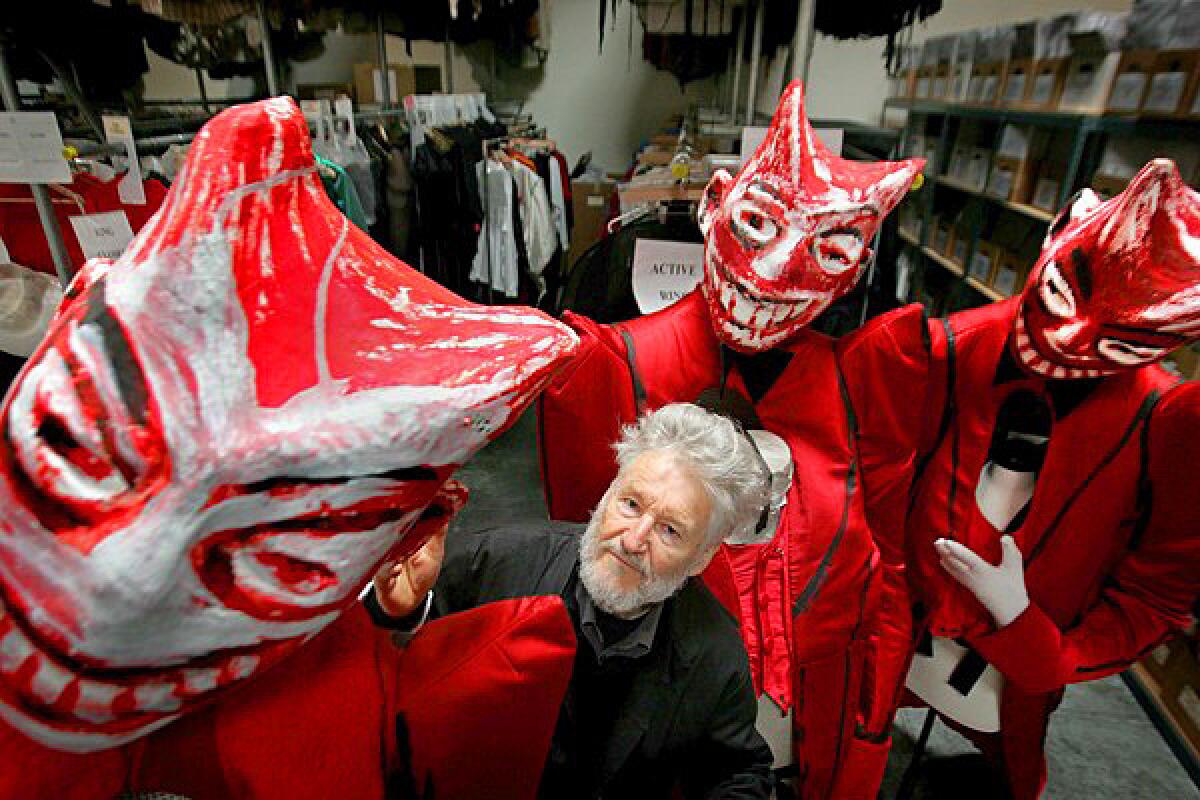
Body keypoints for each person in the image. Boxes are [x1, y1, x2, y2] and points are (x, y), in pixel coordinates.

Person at [536, 80, 924, 798]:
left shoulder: (865, 380)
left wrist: (869, 725)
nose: (780, 270)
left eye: (830, 249)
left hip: (795, 717)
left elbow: (885, 572)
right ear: (715, 204)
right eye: (759, 225)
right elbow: (576, 558)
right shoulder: (610, 365)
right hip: (652, 717)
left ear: (859, 268)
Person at [837, 160, 1200, 798]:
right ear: (1058, 232)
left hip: (1013, 676)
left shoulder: (1166, 422)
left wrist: (1042, 641)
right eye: (1066, 296)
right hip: (892, 639)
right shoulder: (939, 351)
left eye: (1116, 339)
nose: (1072, 340)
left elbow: (1160, 591)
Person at [368, 403, 775, 799]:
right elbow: (386, 686)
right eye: (630, 504)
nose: (633, 540)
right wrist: (398, 615)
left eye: (669, 530)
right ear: (607, 493)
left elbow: (739, 773)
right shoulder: (497, 560)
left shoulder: (715, 652)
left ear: (701, 558)